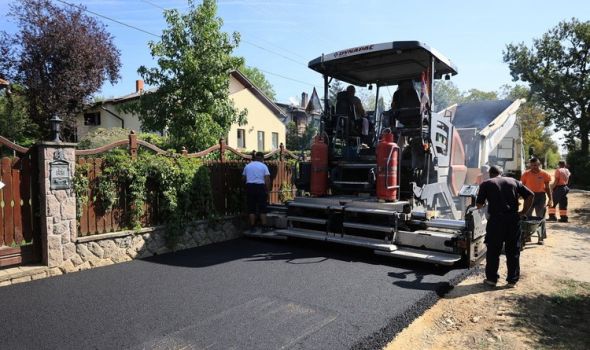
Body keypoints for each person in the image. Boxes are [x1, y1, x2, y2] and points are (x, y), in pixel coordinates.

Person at [476, 166, 534, 288]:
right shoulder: (514, 181)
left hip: (496, 221)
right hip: (513, 219)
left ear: (490, 174)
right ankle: (512, 281)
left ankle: (492, 280)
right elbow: (530, 195)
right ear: (500, 173)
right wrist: (523, 212)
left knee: (493, 250)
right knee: (513, 250)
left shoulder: (486, 183)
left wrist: (487, 202)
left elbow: (479, 205)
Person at [242, 152, 271, 233]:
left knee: (251, 207)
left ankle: (252, 227)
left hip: (250, 186)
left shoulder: (248, 166)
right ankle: (264, 227)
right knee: (262, 207)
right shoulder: (264, 166)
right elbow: (267, 180)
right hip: (260, 187)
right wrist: (268, 191)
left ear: (254, 158)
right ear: (262, 158)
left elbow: (243, 178)